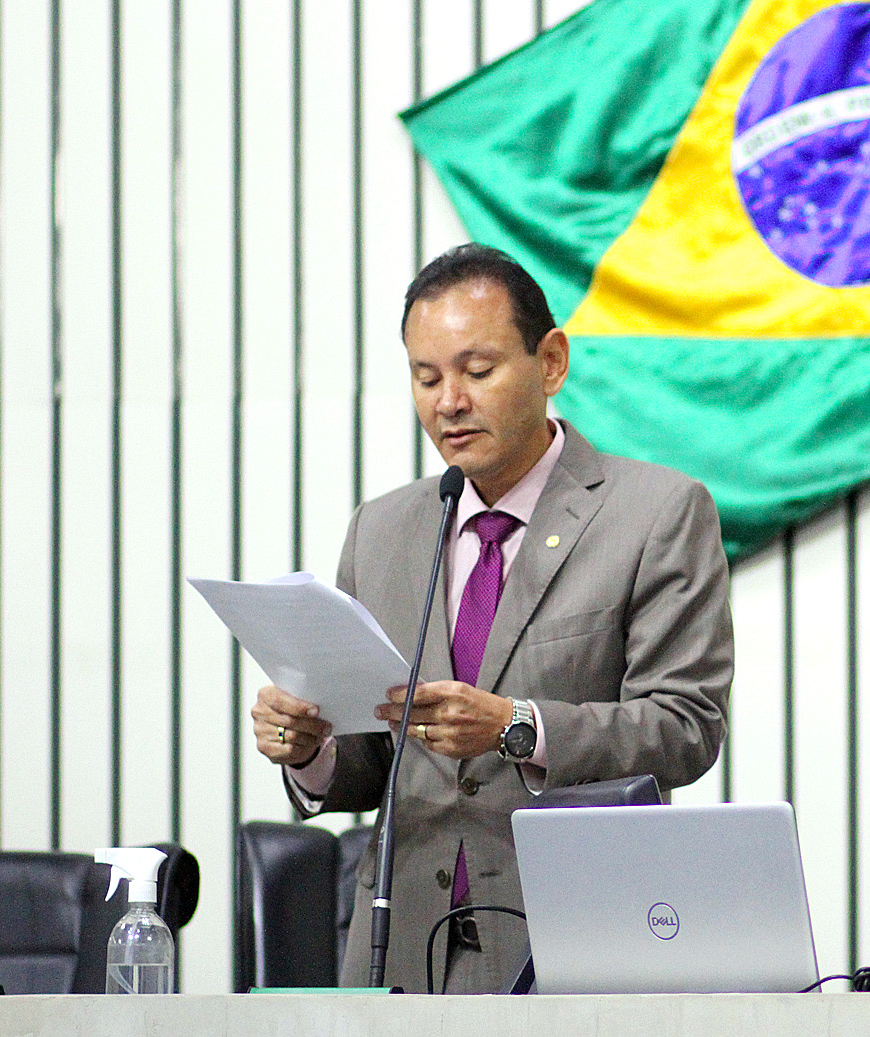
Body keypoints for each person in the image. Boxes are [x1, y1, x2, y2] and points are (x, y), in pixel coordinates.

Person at [249, 243, 733, 994]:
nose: (449, 401)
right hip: (401, 948)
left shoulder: (655, 513)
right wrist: (309, 749)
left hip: (577, 941)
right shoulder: (383, 530)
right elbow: (374, 761)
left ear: (550, 362)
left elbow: (684, 725)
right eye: (426, 376)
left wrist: (519, 725)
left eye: (477, 371)